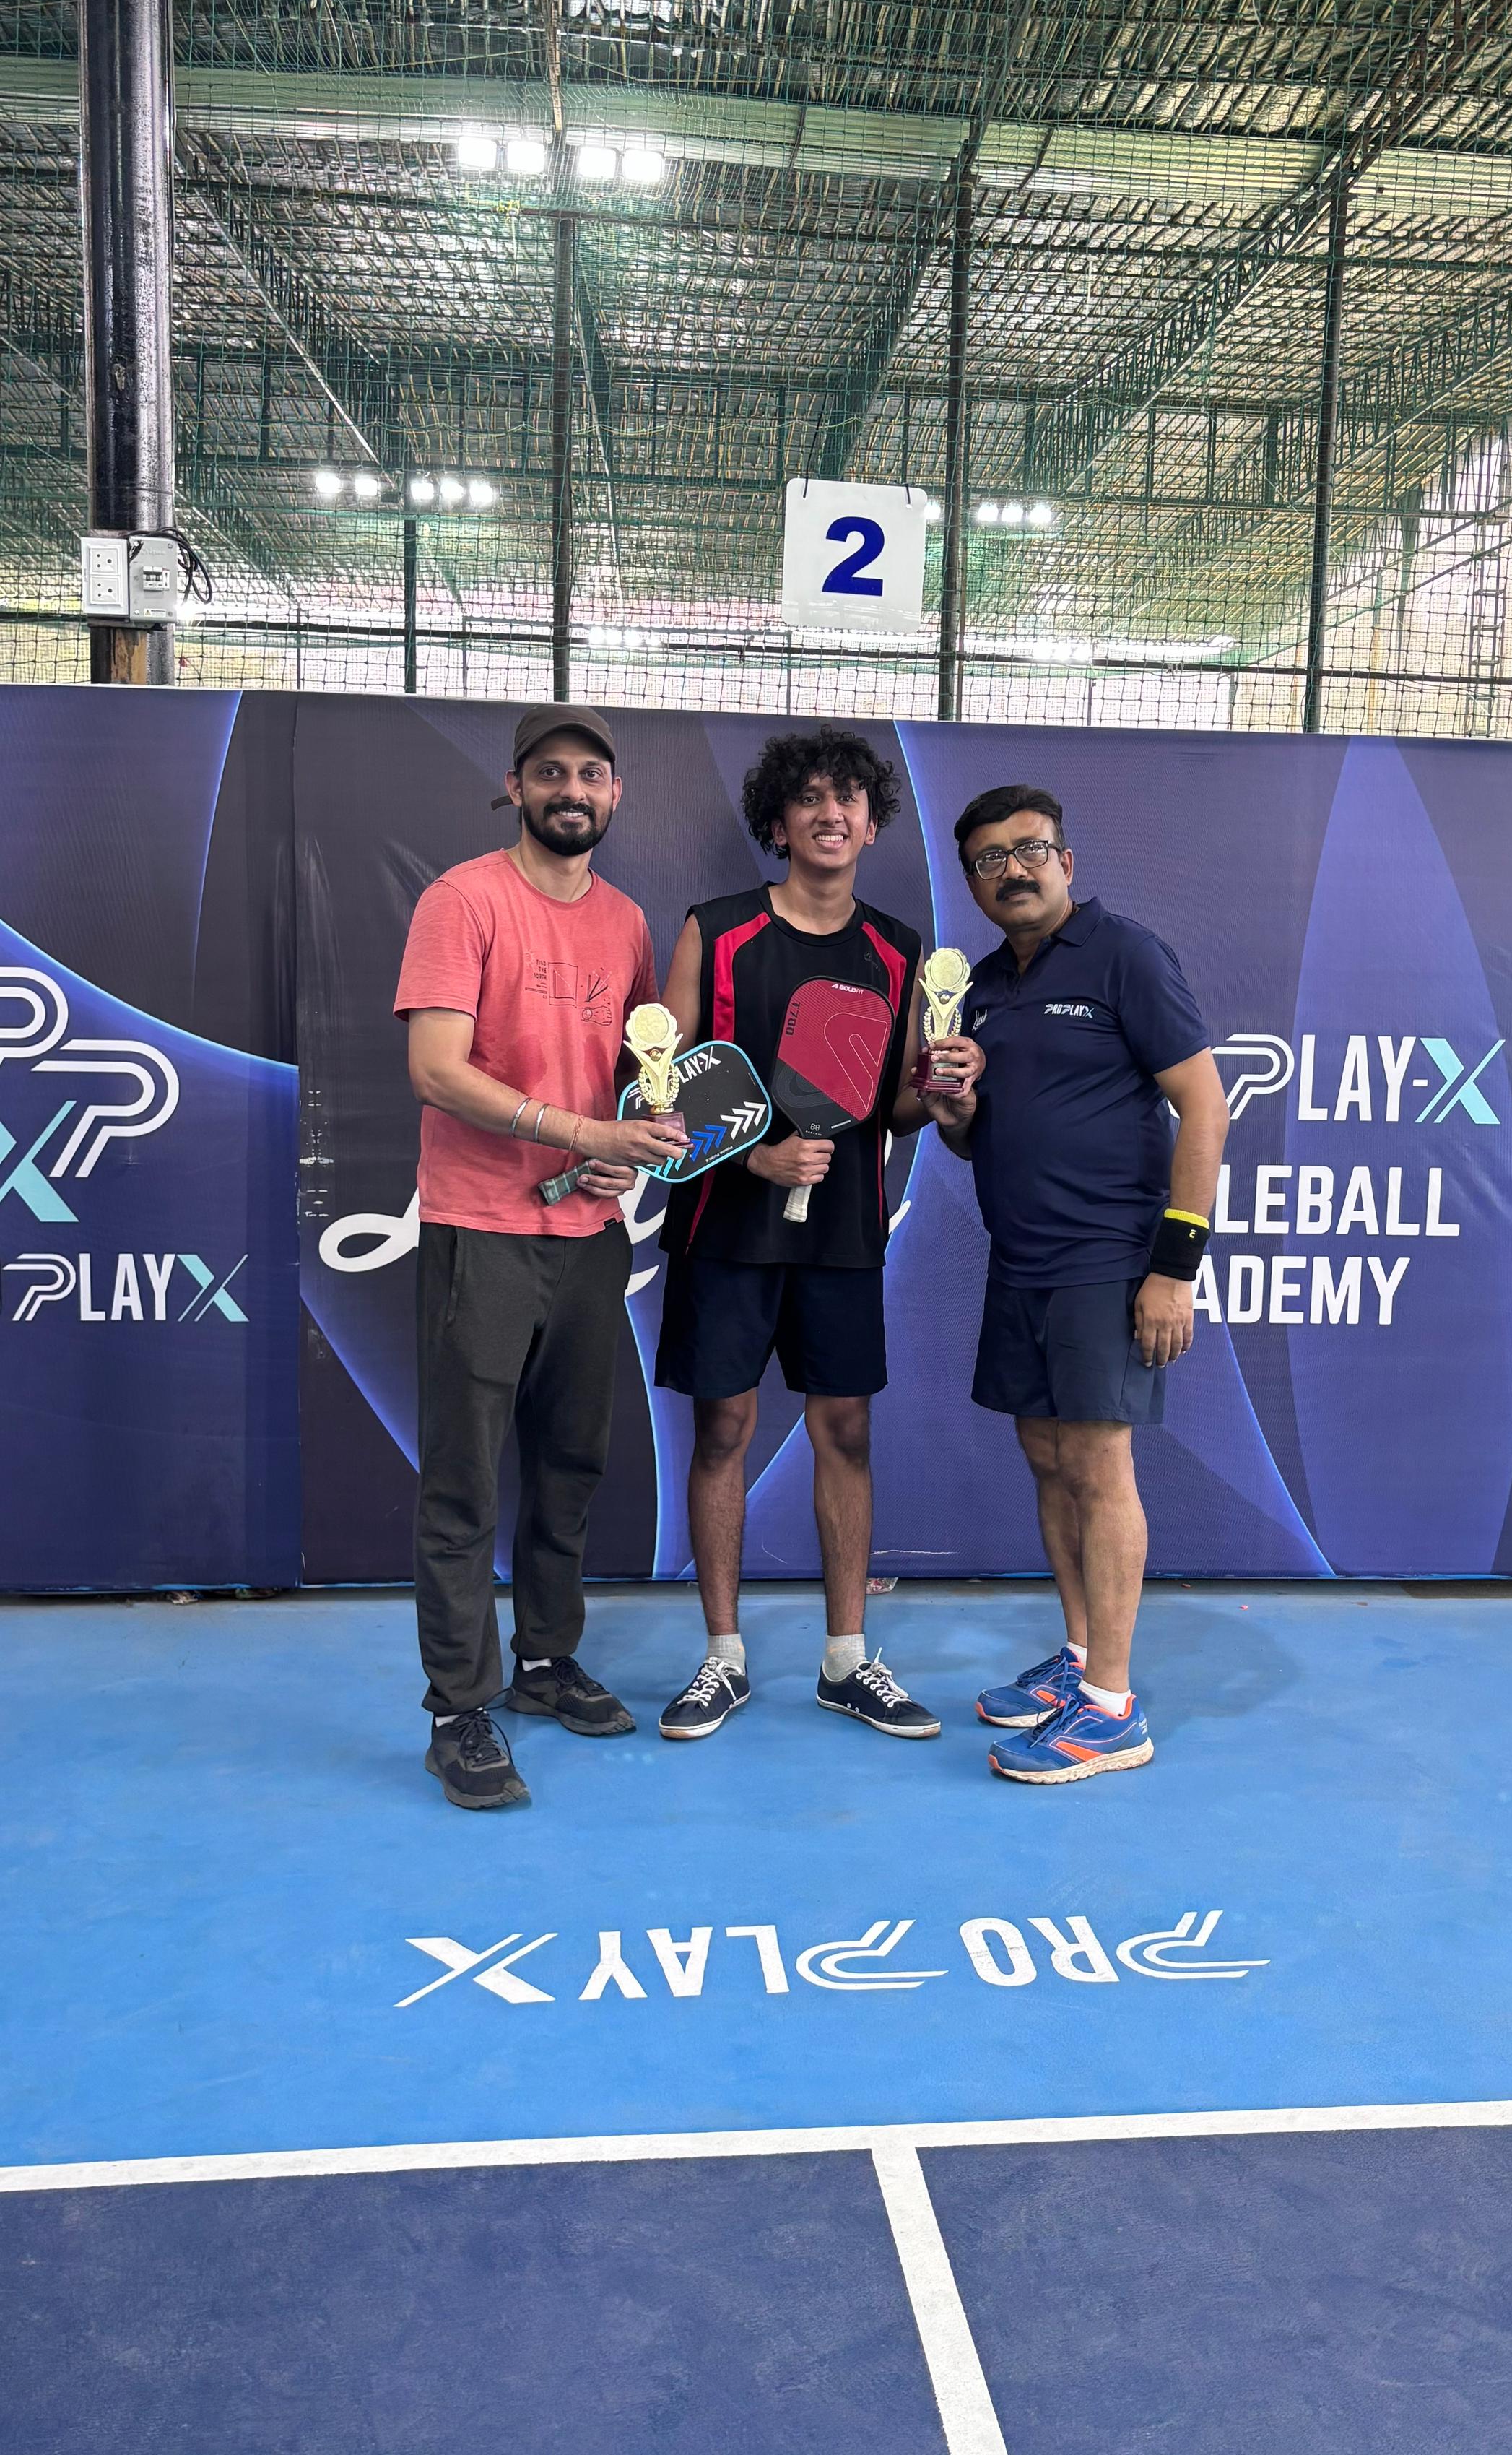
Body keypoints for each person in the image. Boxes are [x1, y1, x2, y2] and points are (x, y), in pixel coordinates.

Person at [396, 703, 685, 1811]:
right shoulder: (462, 899)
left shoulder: (627, 922)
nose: (574, 790)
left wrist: (626, 1154)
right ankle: (458, 1711)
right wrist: (581, 1135)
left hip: (587, 1241)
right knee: (465, 1482)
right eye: (551, 772)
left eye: (592, 774)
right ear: (516, 788)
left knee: (571, 1466)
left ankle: (547, 1660)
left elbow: (637, 1078)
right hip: (481, 1230)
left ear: (615, 795)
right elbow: (436, 1069)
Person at [653, 727, 957, 1743]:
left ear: (871, 825)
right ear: (779, 824)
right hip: (724, 1226)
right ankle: (723, 1657)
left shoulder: (900, 950)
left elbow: (894, 1103)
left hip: (843, 1234)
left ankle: (847, 1660)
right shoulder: (717, 931)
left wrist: (938, 1094)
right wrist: (757, 1159)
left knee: (847, 1433)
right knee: (723, 1431)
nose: (832, 814)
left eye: (849, 799)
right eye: (811, 799)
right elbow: (664, 1093)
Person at [921, 784, 1229, 1783]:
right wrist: (956, 1111)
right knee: (1048, 1458)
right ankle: (1082, 1655)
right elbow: (973, 1143)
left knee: (1098, 1466)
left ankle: (1112, 1709)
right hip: (1020, 1260)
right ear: (973, 882)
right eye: (989, 860)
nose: (1012, 870)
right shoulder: (980, 991)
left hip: (1108, 1258)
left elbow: (1205, 1105)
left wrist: (1174, 1267)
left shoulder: (1125, 954)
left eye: (1030, 850)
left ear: (1066, 859)